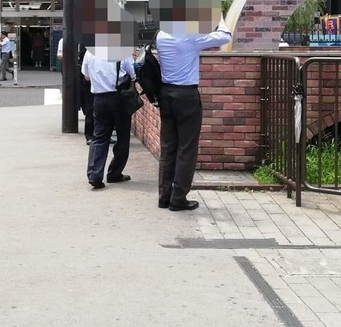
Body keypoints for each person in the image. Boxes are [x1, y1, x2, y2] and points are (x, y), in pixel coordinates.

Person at [155, 17, 232, 212]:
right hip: (186, 96)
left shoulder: (161, 35)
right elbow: (225, 36)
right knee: (187, 147)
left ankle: (164, 196)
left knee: (168, 146)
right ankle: (178, 197)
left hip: (166, 94)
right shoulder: (190, 37)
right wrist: (219, 18)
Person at [83, 48, 136, 189]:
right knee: (122, 138)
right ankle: (114, 173)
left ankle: (95, 175)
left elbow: (86, 76)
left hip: (99, 98)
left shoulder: (90, 52)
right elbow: (134, 74)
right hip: (119, 98)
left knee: (99, 136)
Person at [77, 44, 94, 145]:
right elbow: (85, 75)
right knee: (90, 110)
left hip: (91, 83)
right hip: (89, 85)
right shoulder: (88, 52)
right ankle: (89, 135)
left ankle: (97, 135)